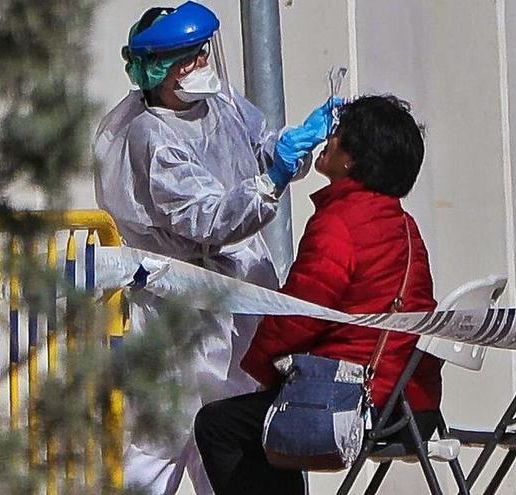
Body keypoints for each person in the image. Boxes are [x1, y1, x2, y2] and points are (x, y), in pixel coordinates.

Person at [92, 2, 337, 493]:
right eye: (187, 57)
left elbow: (259, 147)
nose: (202, 64)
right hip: (182, 307)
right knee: (160, 440)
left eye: (202, 52)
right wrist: (272, 181)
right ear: (159, 69)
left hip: (240, 299)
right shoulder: (149, 136)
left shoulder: (220, 103)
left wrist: (295, 144)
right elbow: (209, 218)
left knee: (236, 439)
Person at [194, 95, 444, 495]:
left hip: (359, 400)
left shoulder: (340, 222)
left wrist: (258, 370)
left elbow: (300, 314)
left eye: (338, 135)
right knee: (271, 417)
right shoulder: (404, 225)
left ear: (352, 161)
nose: (328, 140)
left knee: (218, 424)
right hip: (410, 401)